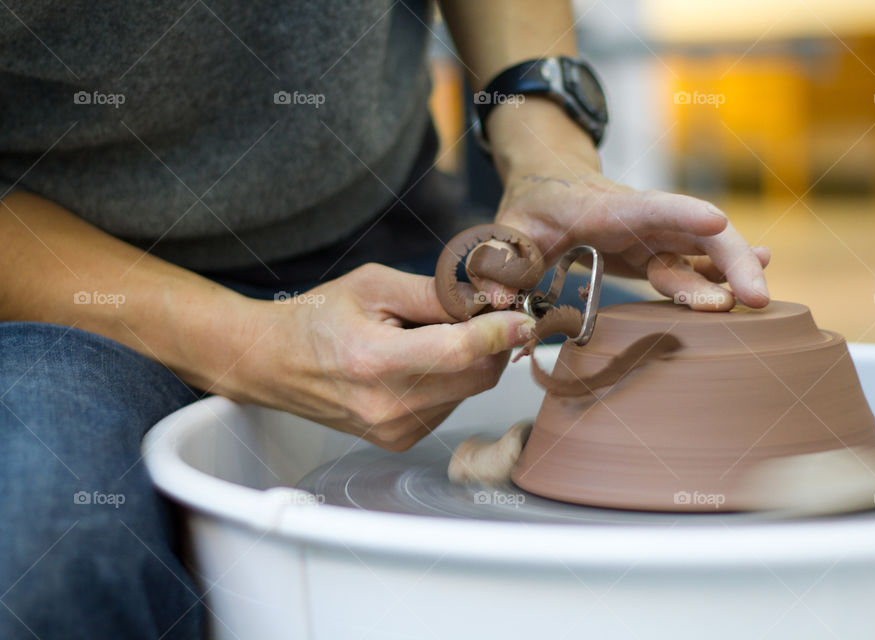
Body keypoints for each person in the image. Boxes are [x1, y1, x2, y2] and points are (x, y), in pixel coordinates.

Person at [0, 1, 770, 637]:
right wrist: (245, 341)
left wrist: (550, 160)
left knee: (716, 404)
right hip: (57, 279)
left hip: (379, 227)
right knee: (46, 565)